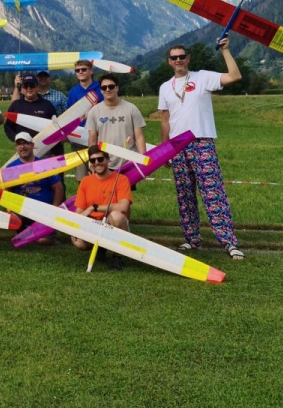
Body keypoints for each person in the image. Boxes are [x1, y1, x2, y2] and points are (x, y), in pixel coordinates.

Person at [158, 40, 244, 260]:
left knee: (213, 193)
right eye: (174, 58)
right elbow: (165, 120)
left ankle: (228, 241)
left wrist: (225, 49)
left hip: (202, 141)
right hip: (176, 147)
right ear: (170, 62)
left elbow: (234, 76)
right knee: (185, 195)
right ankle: (192, 239)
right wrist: (165, 148)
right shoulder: (165, 87)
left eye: (182, 56)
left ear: (188, 59)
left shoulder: (203, 76)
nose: (179, 60)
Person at [71, 147, 132, 269]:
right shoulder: (85, 181)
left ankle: (118, 255)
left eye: (100, 159)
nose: (97, 163)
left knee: (116, 216)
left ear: (108, 160)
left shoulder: (121, 179)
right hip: (94, 223)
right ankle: (101, 246)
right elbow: (78, 212)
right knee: (79, 243)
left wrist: (95, 208)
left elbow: (124, 206)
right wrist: (74, 228)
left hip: (112, 223)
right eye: (93, 161)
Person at [7, 132, 65, 244]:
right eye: (19, 144)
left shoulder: (45, 164)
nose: (22, 147)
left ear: (32, 146)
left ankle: (45, 233)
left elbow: (59, 188)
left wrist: (54, 210)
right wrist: (10, 210)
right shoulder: (11, 168)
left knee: (42, 241)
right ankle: (24, 228)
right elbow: (7, 191)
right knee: (12, 222)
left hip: (44, 210)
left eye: (26, 143)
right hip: (22, 210)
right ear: (16, 148)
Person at [86, 76, 147, 169]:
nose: (107, 89)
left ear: (117, 87)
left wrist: (143, 160)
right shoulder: (94, 112)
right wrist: (93, 163)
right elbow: (92, 140)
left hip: (128, 162)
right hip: (104, 163)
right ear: (101, 90)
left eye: (111, 86)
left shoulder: (131, 109)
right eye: (104, 87)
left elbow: (139, 137)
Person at [5, 74, 61, 151]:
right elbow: (8, 126)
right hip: (23, 149)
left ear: (37, 87)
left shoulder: (47, 105)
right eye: (25, 86)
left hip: (44, 148)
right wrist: (17, 139)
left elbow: (56, 127)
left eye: (32, 85)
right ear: (22, 88)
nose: (29, 88)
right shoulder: (16, 105)